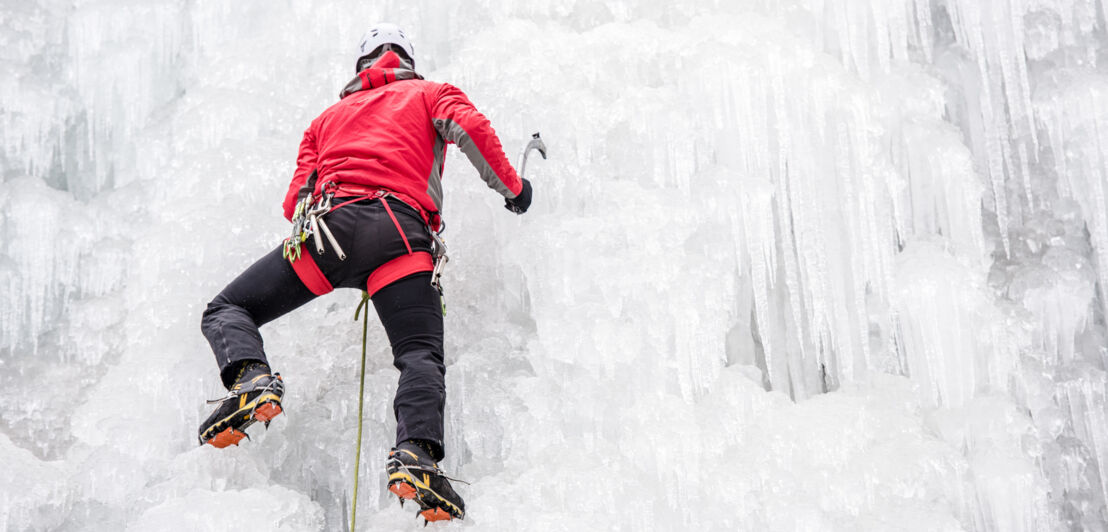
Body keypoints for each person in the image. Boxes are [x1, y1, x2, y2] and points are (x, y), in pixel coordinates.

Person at [196, 22, 532, 522]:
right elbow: (471, 132)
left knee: (228, 308)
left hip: (329, 235)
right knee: (419, 355)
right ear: (407, 62)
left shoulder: (326, 119)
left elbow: (295, 201)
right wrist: (514, 190)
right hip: (400, 236)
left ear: (361, 67)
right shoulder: (430, 93)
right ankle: (416, 454)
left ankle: (252, 379)